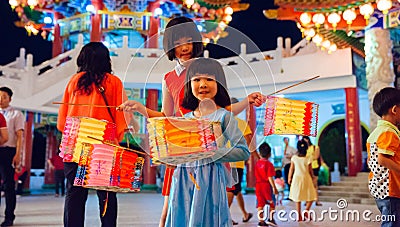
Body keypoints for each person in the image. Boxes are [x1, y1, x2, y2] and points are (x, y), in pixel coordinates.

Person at [118, 16, 264, 227]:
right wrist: (141, 109)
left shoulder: (207, 70)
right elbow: (168, 118)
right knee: (171, 211)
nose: (184, 47)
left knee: (204, 209)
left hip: (208, 149)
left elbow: (221, 112)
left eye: (188, 40)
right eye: (177, 43)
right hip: (182, 148)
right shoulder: (168, 78)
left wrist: (246, 101)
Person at [163, 57, 250, 226]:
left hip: (210, 180)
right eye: (196, 80)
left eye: (209, 79)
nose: (203, 84)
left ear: (220, 85)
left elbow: (243, 150)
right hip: (182, 179)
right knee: (182, 217)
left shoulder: (224, 116)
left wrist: (213, 154)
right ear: (189, 85)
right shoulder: (184, 119)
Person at [57, 42, 130, 227]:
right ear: (106, 60)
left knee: (74, 193)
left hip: (75, 147)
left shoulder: (75, 81)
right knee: (106, 194)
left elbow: (63, 121)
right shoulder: (114, 82)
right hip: (104, 147)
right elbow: (122, 116)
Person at [366, 87, 400, 227]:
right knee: (391, 223)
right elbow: (382, 159)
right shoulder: (388, 132)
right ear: (394, 109)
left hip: (380, 188)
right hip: (389, 190)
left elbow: (371, 160)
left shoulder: (376, 132)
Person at [0, 86, 24, 227]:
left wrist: (18, 154)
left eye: (4, 97)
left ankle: (9, 217)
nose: (1, 99)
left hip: (8, 151)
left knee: (8, 185)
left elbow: (20, 136)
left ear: (10, 98)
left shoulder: (16, 114)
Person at [227, 97, 253, 225]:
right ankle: (225, 216)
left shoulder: (222, 122)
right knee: (232, 190)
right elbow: (248, 142)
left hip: (224, 162)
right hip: (236, 162)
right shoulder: (242, 123)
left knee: (236, 189)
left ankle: (245, 213)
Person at [288, 139, 316, 221]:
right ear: (307, 149)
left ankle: (299, 215)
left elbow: (291, 169)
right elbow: (310, 170)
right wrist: (313, 177)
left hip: (297, 178)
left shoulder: (294, 158)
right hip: (306, 178)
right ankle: (306, 211)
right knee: (311, 196)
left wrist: (289, 178)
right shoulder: (308, 158)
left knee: (298, 197)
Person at [255, 142, 277, 227]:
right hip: (267, 187)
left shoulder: (257, 163)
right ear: (270, 154)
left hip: (258, 186)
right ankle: (271, 219)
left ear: (259, 153)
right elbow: (270, 177)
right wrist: (274, 188)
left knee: (260, 203)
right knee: (272, 202)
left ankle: (261, 221)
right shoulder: (269, 164)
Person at [302, 136, 322, 206]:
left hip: (314, 167)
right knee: (307, 185)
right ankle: (307, 200)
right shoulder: (304, 149)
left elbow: (316, 156)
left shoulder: (315, 147)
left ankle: (316, 200)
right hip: (306, 167)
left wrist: (308, 158)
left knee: (315, 185)